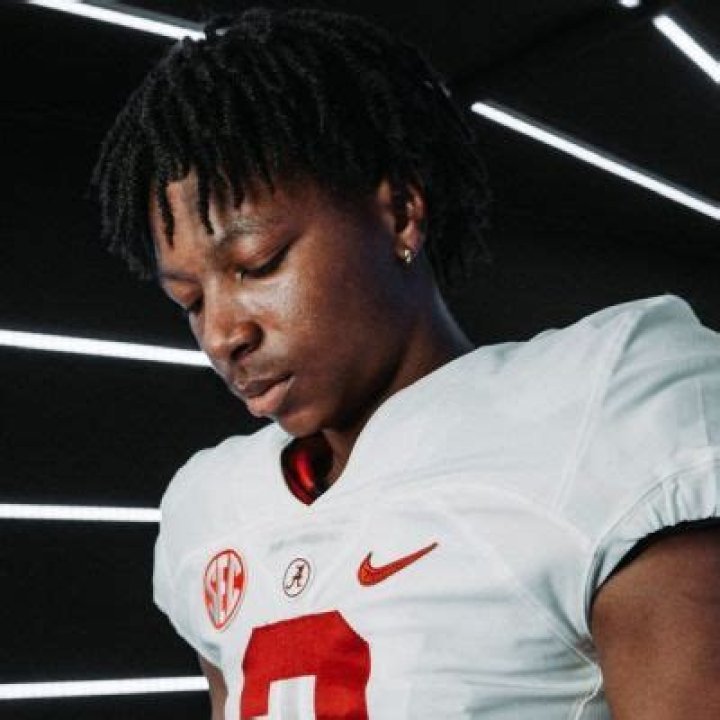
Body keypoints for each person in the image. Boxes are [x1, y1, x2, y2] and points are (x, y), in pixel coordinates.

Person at [92, 7, 720, 719]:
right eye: (189, 299)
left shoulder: (605, 405)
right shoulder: (210, 505)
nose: (222, 334)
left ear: (400, 214)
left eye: (258, 264)